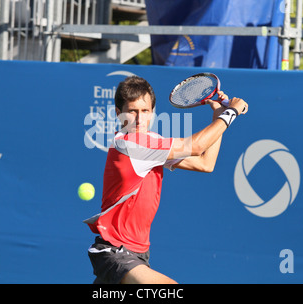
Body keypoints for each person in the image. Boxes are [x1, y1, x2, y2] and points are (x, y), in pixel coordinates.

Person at [84, 76, 248, 284]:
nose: (139, 119)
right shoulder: (132, 143)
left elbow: (205, 163)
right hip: (116, 251)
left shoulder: (151, 145)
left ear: (152, 113)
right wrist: (230, 113)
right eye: (132, 111)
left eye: (145, 111)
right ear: (119, 114)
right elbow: (197, 146)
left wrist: (219, 115)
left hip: (138, 253)